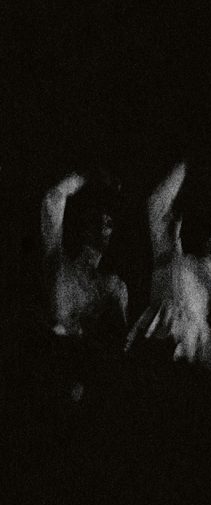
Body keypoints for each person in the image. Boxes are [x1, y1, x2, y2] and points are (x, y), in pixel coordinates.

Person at [126, 162, 211, 408]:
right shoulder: (172, 261)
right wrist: (185, 166)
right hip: (160, 363)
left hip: (191, 375)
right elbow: (155, 205)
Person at [38, 170, 129, 409]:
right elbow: (53, 200)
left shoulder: (112, 287)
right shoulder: (61, 266)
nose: (103, 224)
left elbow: (118, 343)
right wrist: (91, 177)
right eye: (99, 220)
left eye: (108, 223)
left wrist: (89, 175)